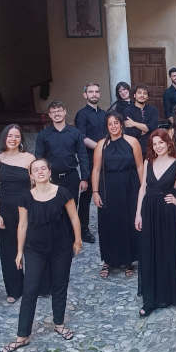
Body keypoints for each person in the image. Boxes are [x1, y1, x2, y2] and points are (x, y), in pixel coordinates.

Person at [1, 158, 83, 352]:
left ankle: (59, 323)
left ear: (49, 171)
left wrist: (77, 240)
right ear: (31, 175)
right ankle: (22, 335)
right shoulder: (25, 197)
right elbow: (22, 225)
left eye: (43, 168)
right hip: (34, 249)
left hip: (61, 247)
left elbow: (74, 217)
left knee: (60, 285)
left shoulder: (63, 193)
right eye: (35, 170)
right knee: (30, 289)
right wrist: (19, 251)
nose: (40, 172)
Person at [135, 129, 176, 317]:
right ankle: (150, 299)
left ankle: (168, 294)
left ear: (168, 143)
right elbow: (143, 188)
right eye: (155, 144)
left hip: (168, 213)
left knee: (167, 251)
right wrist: (138, 214)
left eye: (161, 142)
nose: (158, 146)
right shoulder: (148, 162)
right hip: (149, 210)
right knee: (149, 251)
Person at [91, 111, 143, 279]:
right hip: (108, 188)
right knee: (108, 224)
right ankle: (108, 260)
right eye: (110, 124)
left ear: (121, 124)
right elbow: (96, 169)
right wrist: (95, 191)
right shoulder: (101, 144)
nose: (113, 126)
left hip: (130, 186)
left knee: (128, 222)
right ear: (106, 126)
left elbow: (140, 167)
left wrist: (144, 189)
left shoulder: (132, 142)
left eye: (116, 123)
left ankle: (128, 260)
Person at [0, 124, 36, 302]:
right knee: (8, 249)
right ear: (4, 138)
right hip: (6, 209)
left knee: (32, 246)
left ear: (21, 139)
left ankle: (35, 284)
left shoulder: (29, 158)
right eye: (10, 136)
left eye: (17, 136)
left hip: (27, 207)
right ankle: (14, 289)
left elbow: (36, 183)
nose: (13, 139)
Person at [35, 101, 90, 225]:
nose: (57, 114)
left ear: (65, 112)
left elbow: (83, 156)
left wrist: (84, 178)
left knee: (71, 209)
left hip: (71, 177)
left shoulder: (75, 133)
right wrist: (41, 178)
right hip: (52, 178)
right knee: (52, 210)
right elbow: (39, 158)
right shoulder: (43, 135)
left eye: (59, 111)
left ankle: (71, 239)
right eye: (53, 112)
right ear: (49, 115)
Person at [74, 82, 105, 243]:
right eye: (91, 92)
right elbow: (82, 138)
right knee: (87, 195)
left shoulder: (104, 114)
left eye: (96, 92)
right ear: (85, 95)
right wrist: (101, 148)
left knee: (105, 192)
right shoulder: (81, 115)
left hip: (105, 159)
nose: (94, 94)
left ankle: (106, 224)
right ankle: (83, 228)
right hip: (89, 159)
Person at [124, 84, 160, 154]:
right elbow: (129, 132)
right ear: (134, 95)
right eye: (139, 93)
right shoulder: (127, 111)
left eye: (145, 93)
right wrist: (145, 129)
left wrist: (134, 123)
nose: (142, 95)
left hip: (151, 146)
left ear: (147, 97)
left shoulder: (153, 110)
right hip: (134, 147)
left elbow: (153, 128)